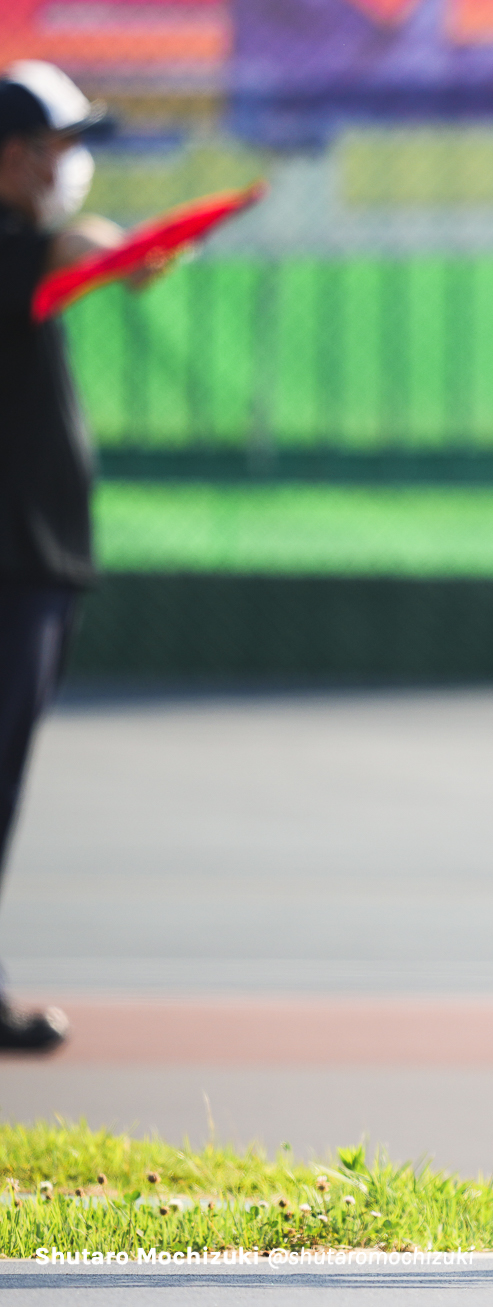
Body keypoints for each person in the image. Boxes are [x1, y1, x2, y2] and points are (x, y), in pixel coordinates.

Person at [0, 61, 151, 1051]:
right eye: (61, 149)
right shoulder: (16, 248)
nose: (73, 168)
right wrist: (116, 248)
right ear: (14, 158)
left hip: (38, 563)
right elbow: (73, 247)